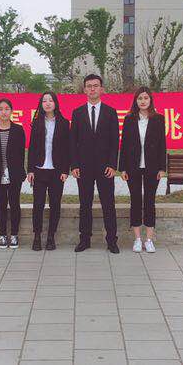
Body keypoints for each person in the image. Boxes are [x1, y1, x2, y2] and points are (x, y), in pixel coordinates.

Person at [70, 74, 120, 253]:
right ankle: (85, 239)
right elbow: (73, 141)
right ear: (84, 90)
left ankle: (112, 241)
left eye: (95, 85)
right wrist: (74, 165)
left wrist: (112, 165)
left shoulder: (110, 112)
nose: (92, 89)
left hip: (105, 167)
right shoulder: (77, 113)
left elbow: (115, 142)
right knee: (85, 204)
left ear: (102, 89)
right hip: (83, 168)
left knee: (108, 204)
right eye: (89, 86)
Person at [119, 87, 167, 253]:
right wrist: (122, 168)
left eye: (146, 98)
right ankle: (138, 239)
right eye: (140, 98)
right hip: (132, 167)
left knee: (149, 201)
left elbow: (162, 145)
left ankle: (149, 239)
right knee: (135, 201)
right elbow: (124, 145)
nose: (143, 101)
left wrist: (162, 167)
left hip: (152, 167)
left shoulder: (158, 119)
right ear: (136, 101)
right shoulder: (129, 119)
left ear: (150, 100)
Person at [27, 92, 70, 251]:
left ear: (55, 103)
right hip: (39, 170)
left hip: (57, 172)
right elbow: (32, 148)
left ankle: (51, 236)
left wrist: (65, 170)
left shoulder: (64, 123)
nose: (47, 103)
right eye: (44, 101)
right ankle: (37, 236)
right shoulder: (37, 122)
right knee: (37, 204)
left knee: (55, 204)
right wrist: (30, 170)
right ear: (41, 104)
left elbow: (67, 149)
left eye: (50, 100)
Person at [0, 98, 27, 249]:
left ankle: (14, 235)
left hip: (15, 175)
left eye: (7, 109)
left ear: (11, 111)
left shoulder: (18, 130)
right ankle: (2, 235)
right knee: (1, 204)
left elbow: (21, 154)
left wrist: (20, 171)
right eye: (1, 109)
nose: (4, 112)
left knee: (15, 204)